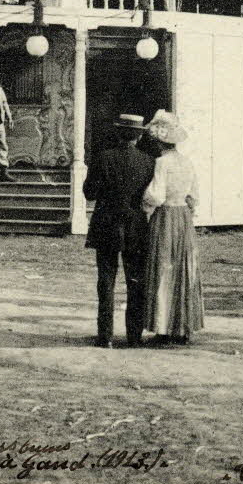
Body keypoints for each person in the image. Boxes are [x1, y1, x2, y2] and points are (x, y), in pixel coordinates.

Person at [83, 113, 154, 349]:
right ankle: (134, 336)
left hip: (106, 224)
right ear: (139, 136)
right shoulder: (148, 162)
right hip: (135, 226)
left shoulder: (103, 158)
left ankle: (105, 336)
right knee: (135, 281)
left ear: (117, 133)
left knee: (106, 281)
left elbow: (90, 192)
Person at [141, 110, 204, 346]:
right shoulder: (187, 163)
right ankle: (184, 325)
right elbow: (194, 196)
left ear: (159, 141)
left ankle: (165, 326)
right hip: (183, 217)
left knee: (165, 266)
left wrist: (144, 204)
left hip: (166, 215)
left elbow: (156, 195)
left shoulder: (161, 163)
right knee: (184, 267)